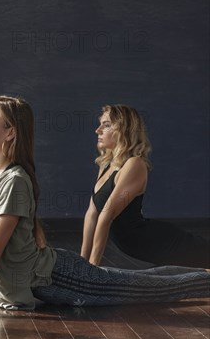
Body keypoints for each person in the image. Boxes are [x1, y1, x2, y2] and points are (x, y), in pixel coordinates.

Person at [0, 96, 209, 318]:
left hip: (63, 277)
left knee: (160, 287)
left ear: (10, 133)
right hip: (51, 278)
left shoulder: (15, 182)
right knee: (151, 280)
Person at [80, 105, 210, 268]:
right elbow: (92, 214)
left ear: (124, 130)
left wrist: (91, 268)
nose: (98, 130)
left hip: (161, 243)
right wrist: (81, 262)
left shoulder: (134, 164)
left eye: (106, 125)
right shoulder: (106, 164)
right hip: (139, 245)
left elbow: (106, 215)